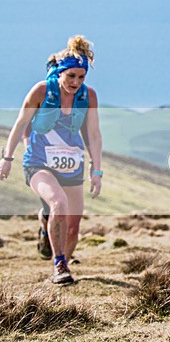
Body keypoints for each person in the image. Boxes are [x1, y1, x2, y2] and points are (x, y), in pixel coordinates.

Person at [0, 35, 103, 284]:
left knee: (72, 227)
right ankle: (59, 266)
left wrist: (96, 170)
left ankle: (61, 258)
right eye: (71, 77)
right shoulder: (42, 91)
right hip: (38, 163)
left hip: (72, 165)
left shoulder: (88, 97)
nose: (76, 82)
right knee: (58, 203)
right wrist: (7, 157)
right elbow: (21, 124)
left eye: (81, 77)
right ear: (60, 73)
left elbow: (94, 134)